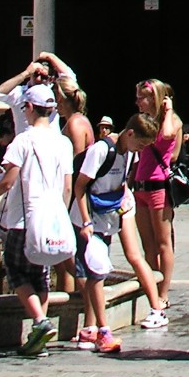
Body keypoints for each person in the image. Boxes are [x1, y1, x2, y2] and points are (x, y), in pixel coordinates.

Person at [0, 82, 73, 356]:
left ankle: (40, 322)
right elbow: (67, 186)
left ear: (29, 108)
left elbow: (8, 182)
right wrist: (60, 214)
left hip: (23, 219)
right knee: (41, 273)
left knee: (17, 271)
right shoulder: (63, 142)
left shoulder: (23, 140)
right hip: (51, 218)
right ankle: (38, 333)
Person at [70, 115, 131, 356]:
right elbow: (80, 186)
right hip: (86, 219)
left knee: (94, 270)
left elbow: (122, 183)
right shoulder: (101, 150)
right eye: (141, 144)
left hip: (106, 219)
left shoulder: (129, 153)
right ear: (130, 134)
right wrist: (85, 221)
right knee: (93, 271)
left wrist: (122, 202)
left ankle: (91, 328)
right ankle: (100, 330)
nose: (141, 150)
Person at [130, 77, 184, 321]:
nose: (138, 101)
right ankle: (151, 288)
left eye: (142, 96)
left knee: (164, 242)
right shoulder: (143, 122)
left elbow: (170, 139)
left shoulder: (171, 121)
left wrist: (168, 109)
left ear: (155, 98)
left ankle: (163, 293)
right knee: (147, 244)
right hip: (140, 186)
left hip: (158, 186)